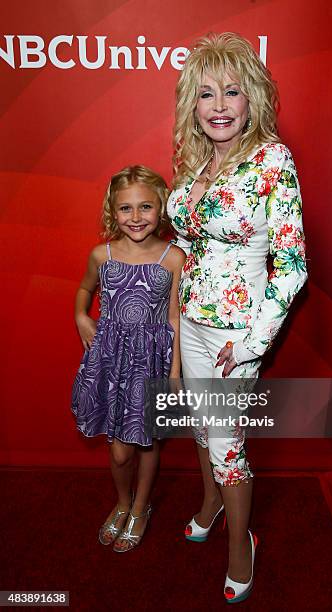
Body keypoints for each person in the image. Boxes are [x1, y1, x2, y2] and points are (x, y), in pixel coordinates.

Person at [167, 33, 308, 602]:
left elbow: (292, 265)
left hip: (235, 336)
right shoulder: (197, 158)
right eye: (206, 94)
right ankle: (208, 507)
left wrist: (253, 340)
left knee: (226, 444)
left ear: (251, 98)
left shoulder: (271, 159)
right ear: (192, 105)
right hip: (192, 326)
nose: (219, 105)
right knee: (202, 429)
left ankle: (239, 545)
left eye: (231, 92)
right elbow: (186, 249)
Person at [72, 165, 185, 552]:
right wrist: (81, 316)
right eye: (126, 209)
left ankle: (140, 507)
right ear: (112, 211)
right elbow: (85, 289)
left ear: (162, 209)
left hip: (151, 363)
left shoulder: (174, 258)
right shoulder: (101, 254)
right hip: (110, 361)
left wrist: (174, 373)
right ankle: (122, 502)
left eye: (146, 207)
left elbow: (174, 318)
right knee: (118, 448)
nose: (136, 218)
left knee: (147, 442)